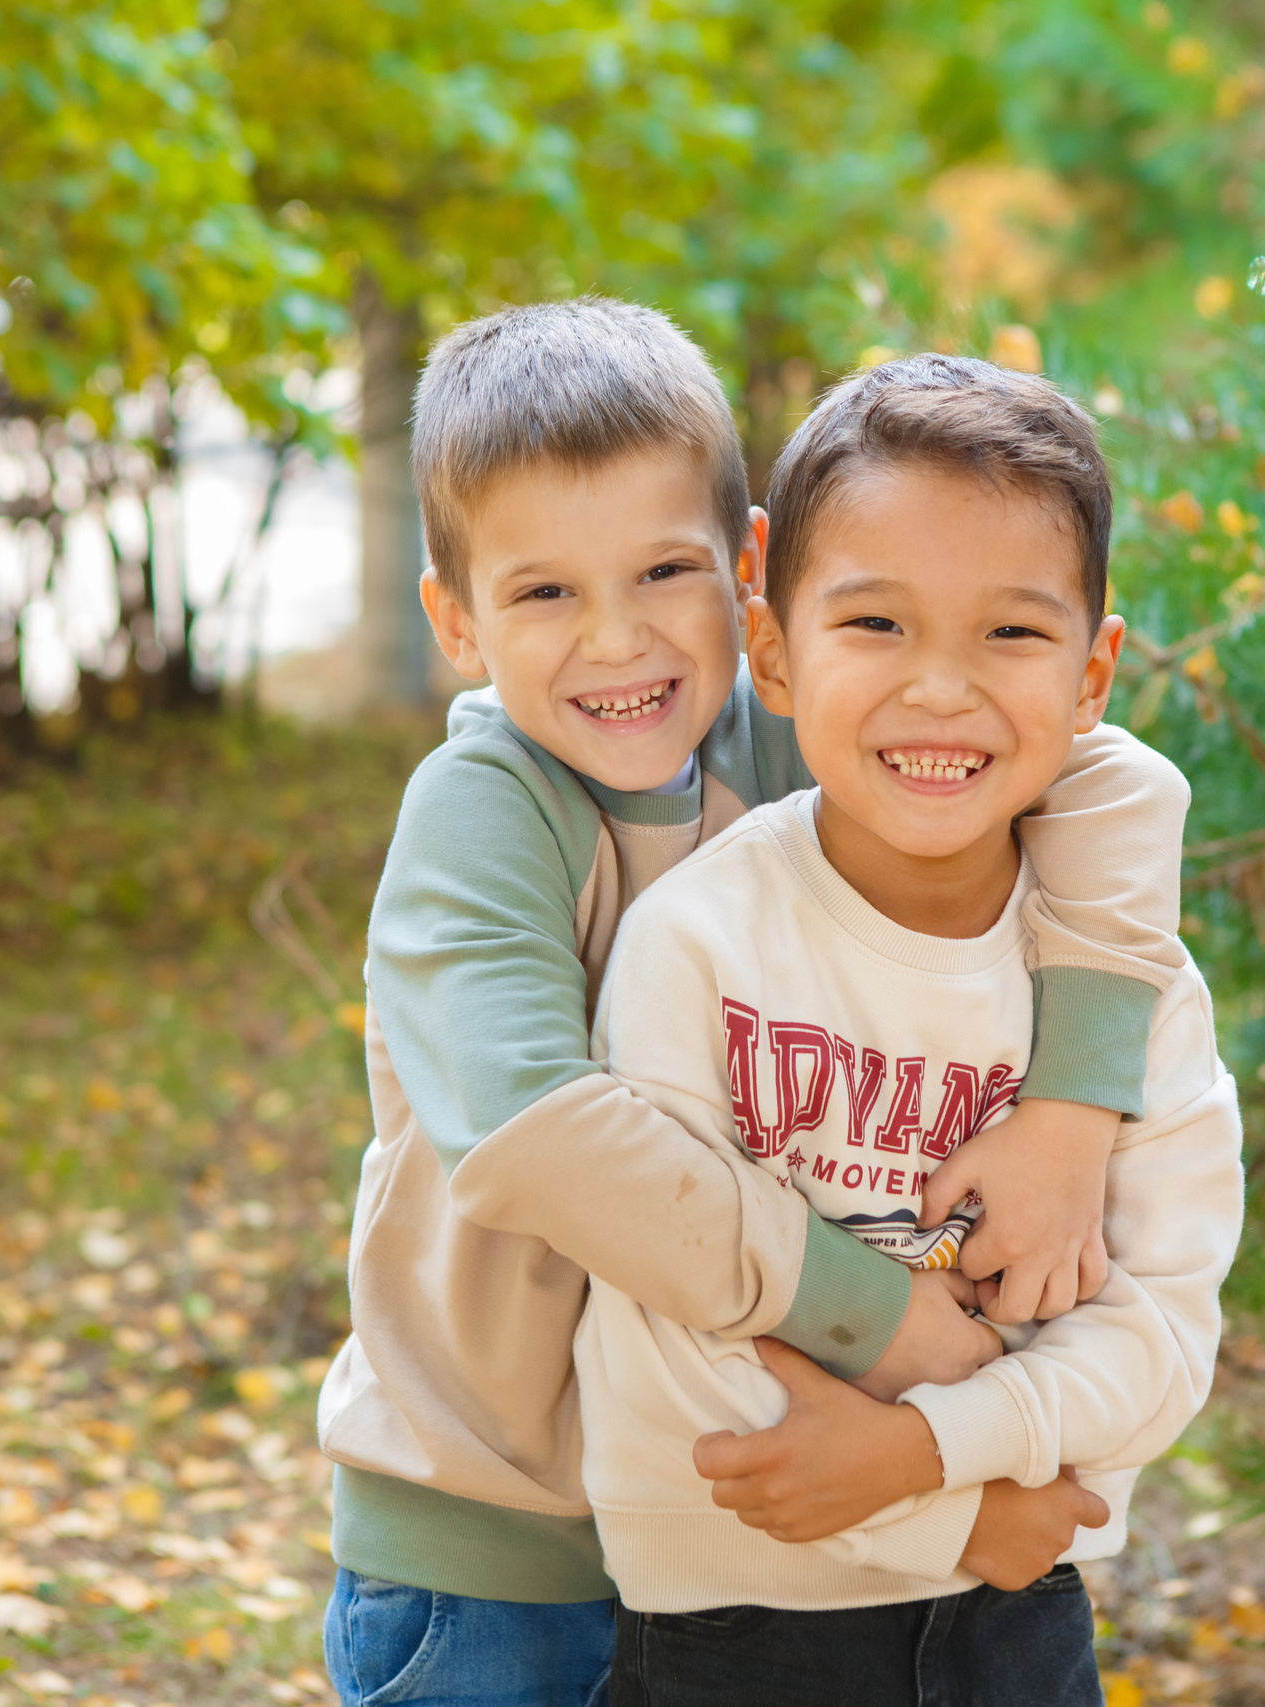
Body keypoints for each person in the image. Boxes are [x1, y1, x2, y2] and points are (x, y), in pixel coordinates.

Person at [318, 299, 1194, 1707]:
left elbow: (1115, 781)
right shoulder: (483, 811)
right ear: (457, 622)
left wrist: (1072, 1109)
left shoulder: (780, 725)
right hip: (500, 1543)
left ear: (747, 585)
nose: (618, 642)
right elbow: (537, 1135)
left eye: (664, 572)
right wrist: (879, 1318)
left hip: (725, 1529)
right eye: (545, 593)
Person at [578, 354, 1245, 1706]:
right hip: (737, 1620)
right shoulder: (700, 943)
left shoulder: (1132, 994)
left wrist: (931, 1453)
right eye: (876, 624)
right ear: (769, 642)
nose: (941, 690)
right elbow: (658, 1342)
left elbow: (1161, 1342)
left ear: (1092, 673)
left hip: (1015, 1621)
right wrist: (949, 1504)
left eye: (1010, 634)